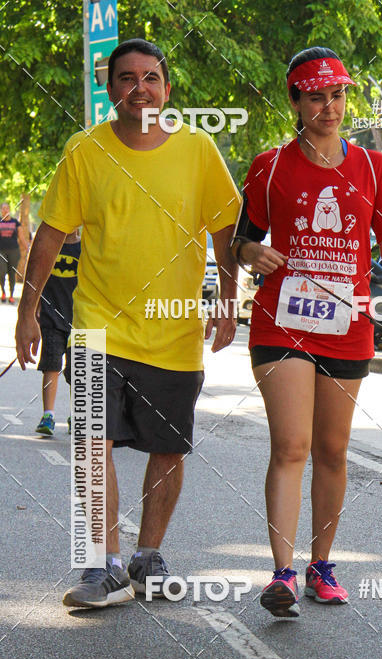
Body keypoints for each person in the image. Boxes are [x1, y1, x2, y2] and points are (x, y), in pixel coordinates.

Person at [16, 38, 240, 609]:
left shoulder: (198, 149)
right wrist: (27, 310)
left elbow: (225, 232)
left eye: (150, 78)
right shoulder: (84, 150)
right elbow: (49, 234)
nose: (139, 88)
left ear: (167, 88)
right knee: (93, 443)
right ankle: (104, 564)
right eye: (126, 78)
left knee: (168, 451)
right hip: (97, 325)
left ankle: (147, 556)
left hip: (174, 330)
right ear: (109, 87)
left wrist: (229, 298)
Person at [231, 47, 382, 618]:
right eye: (317, 96)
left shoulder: (373, 168)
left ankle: (321, 565)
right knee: (292, 445)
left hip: (347, 325)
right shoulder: (269, 165)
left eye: (339, 94)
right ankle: (281, 574)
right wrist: (253, 252)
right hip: (283, 321)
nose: (329, 106)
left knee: (332, 449)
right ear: (295, 101)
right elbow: (239, 240)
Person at [35, 230, 80, 436]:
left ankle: (77, 415)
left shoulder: (86, 250)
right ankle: (48, 415)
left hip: (80, 319)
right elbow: (36, 279)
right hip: (51, 317)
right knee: (51, 366)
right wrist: (33, 309)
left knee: (78, 370)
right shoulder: (50, 246)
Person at [0, 202, 25, 303]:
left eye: (7, 208)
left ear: (9, 210)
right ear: (1, 210)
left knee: (12, 273)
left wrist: (27, 247)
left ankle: (11, 295)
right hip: (1, 251)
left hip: (14, 251)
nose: (5, 210)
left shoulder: (15, 222)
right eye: (3, 208)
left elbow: (21, 237)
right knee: (1, 271)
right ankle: (3, 292)